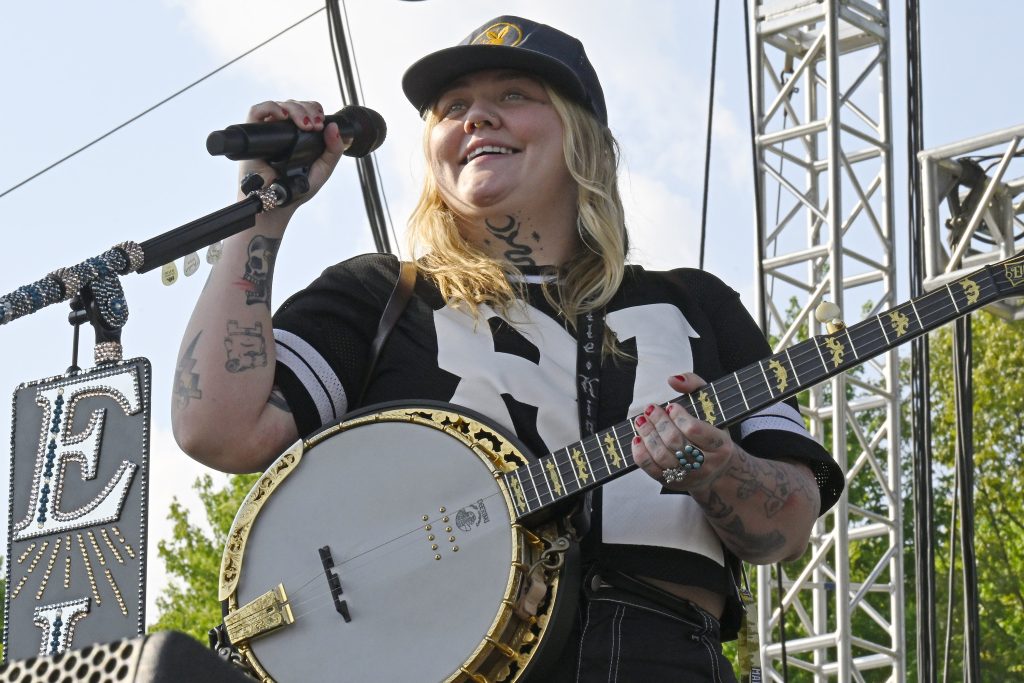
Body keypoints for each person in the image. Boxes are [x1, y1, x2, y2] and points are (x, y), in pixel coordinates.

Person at [172, 15, 844, 682]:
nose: (476, 117)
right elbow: (218, 430)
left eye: (514, 95)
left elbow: (787, 529)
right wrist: (264, 213)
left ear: (584, 137)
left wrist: (719, 467)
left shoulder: (696, 304)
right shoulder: (382, 295)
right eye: (453, 107)